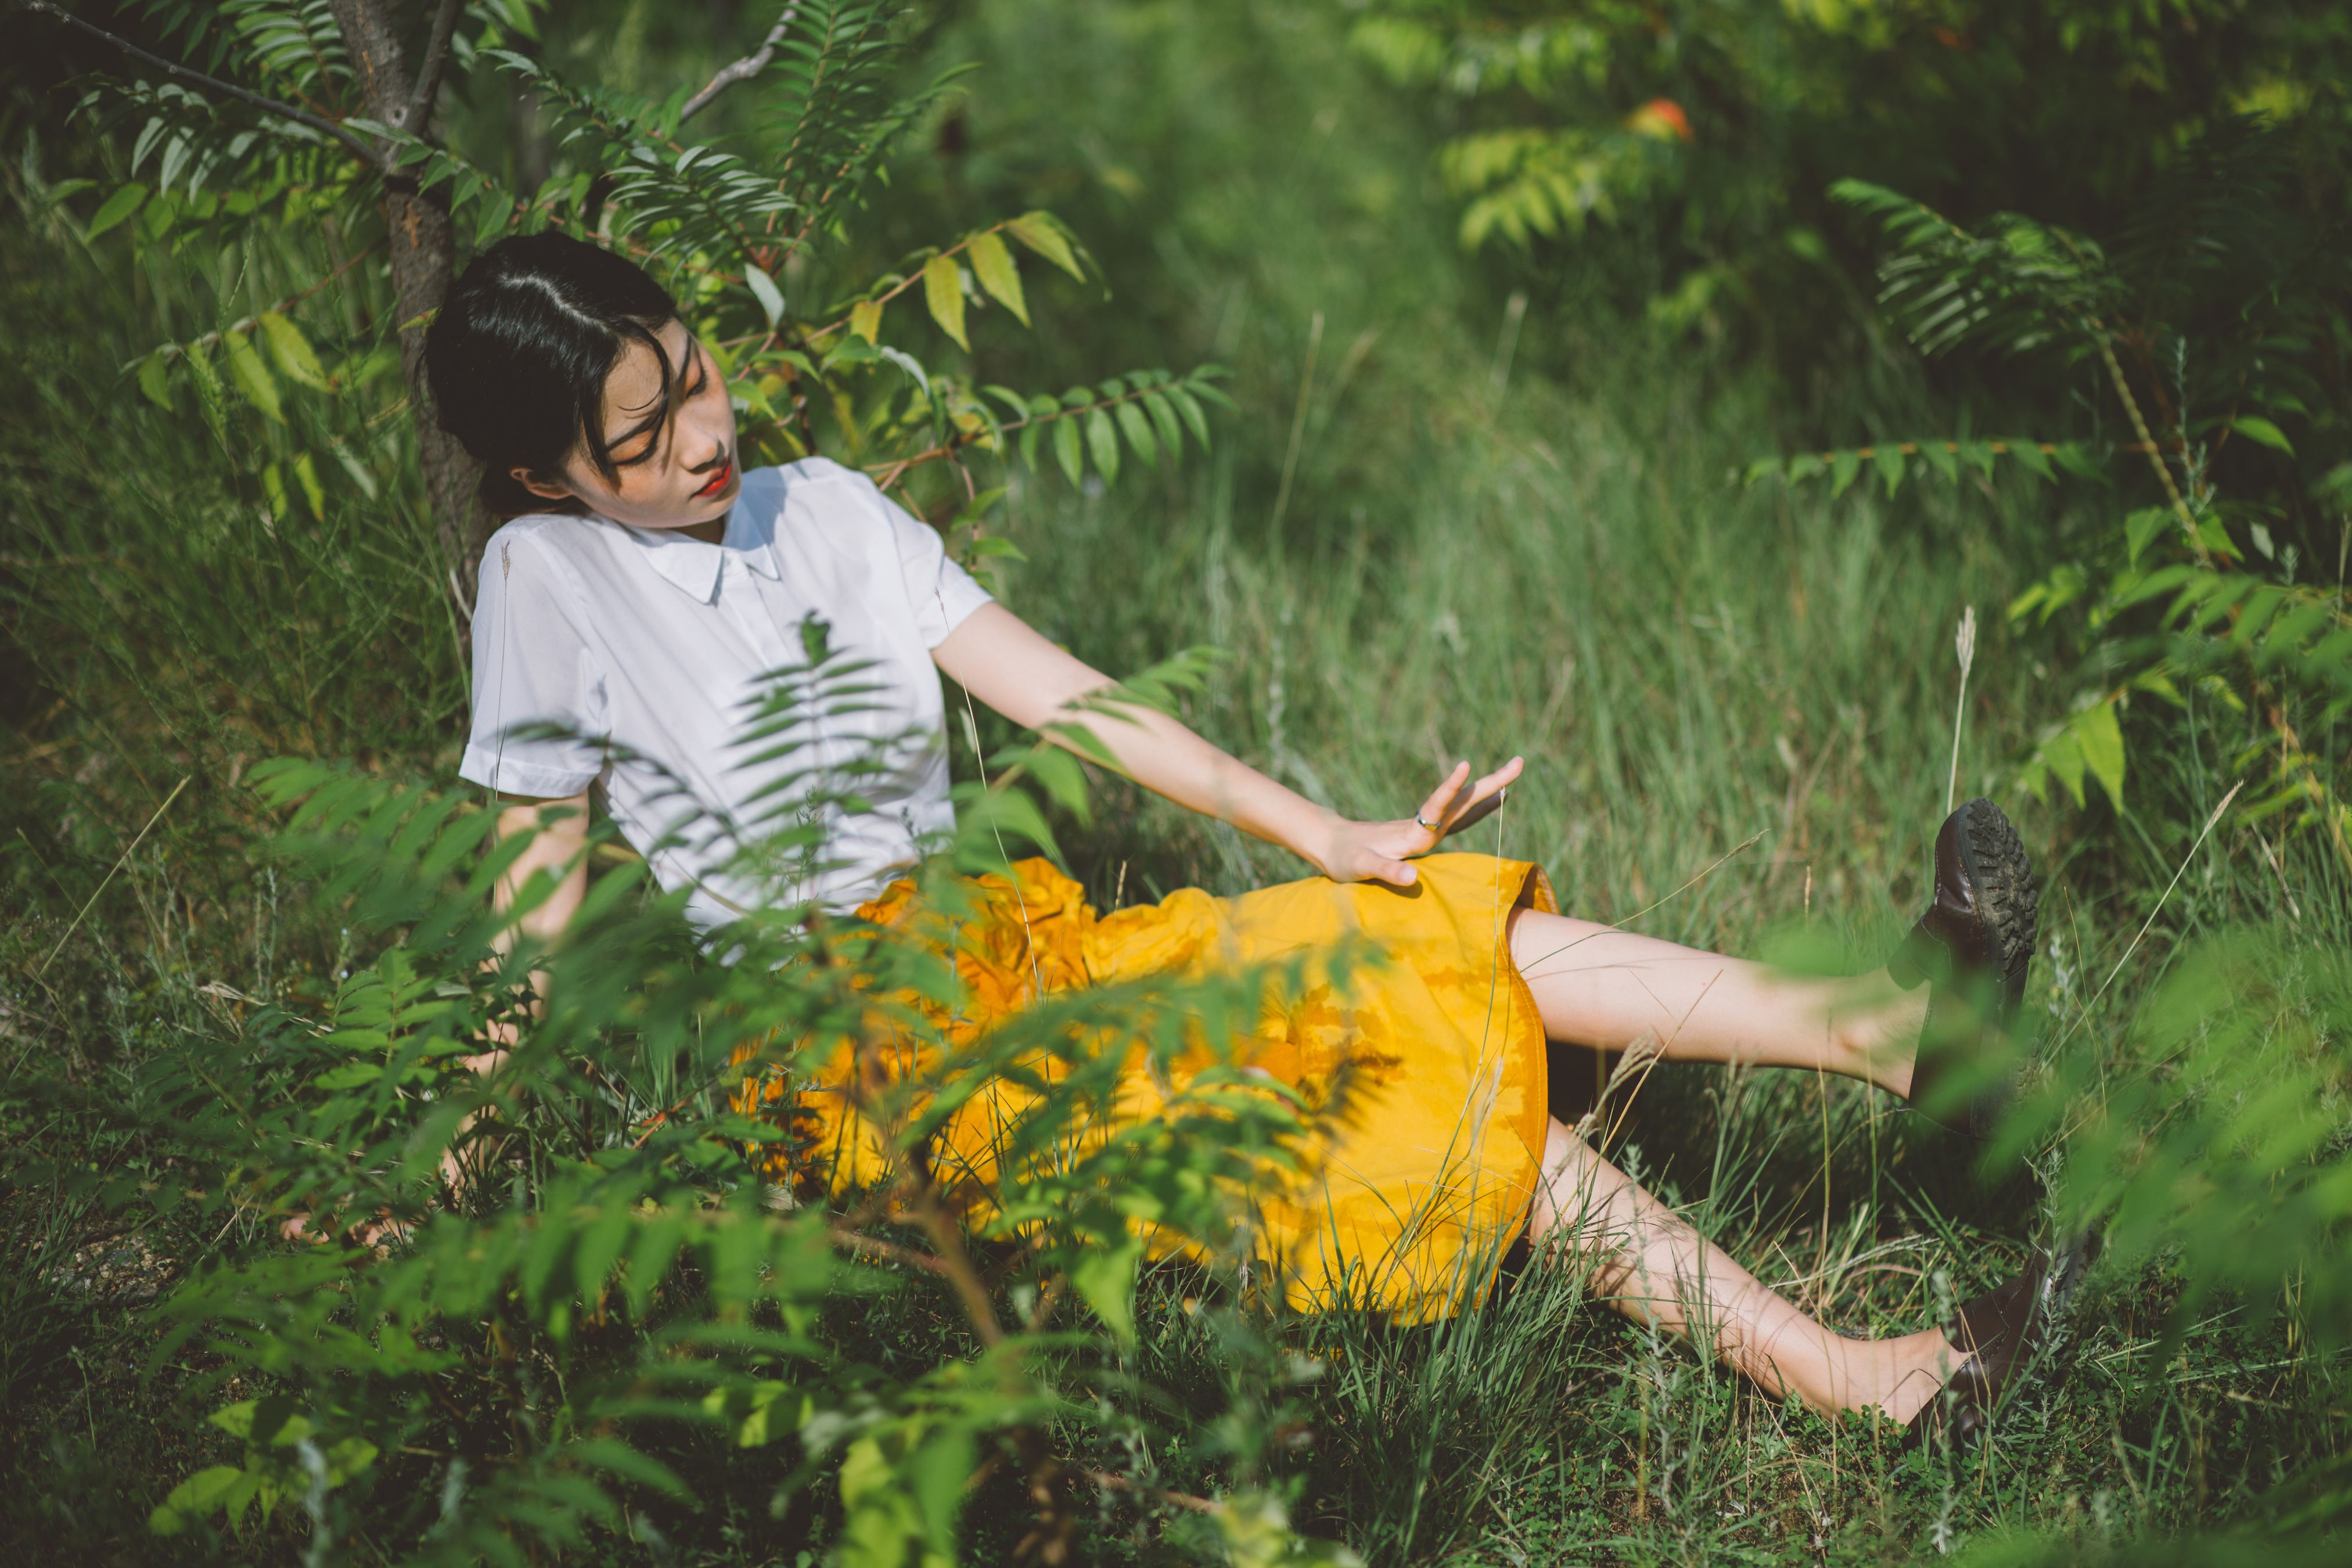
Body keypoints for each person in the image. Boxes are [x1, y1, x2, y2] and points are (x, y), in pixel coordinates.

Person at [425, 232, 2071, 1445]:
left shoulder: (825, 508)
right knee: (1406, 1081)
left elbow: (1079, 705)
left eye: (693, 373)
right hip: (872, 1060)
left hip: (1023, 944)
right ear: (539, 474)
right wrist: (436, 1164)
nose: (702, 436)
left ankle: (1904, 1038)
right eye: (639, 439)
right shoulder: (546, 583)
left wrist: (1326, 830)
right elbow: (531, 913)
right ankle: (1868, 1381)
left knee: (1405, 926)